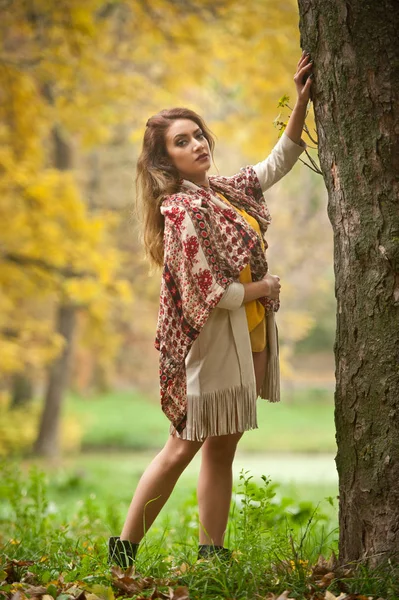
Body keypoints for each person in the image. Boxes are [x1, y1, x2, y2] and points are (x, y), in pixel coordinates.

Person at [108, 51, 313, 567]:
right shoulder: (180, 210)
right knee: (182, 446)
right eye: (182, 141)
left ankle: (212, 556)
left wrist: (303, 102)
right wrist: (264, 288)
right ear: (165, 161)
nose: (196, 144)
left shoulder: (222, 192)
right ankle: (122, 552)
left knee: (223, 450)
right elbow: (209, 294)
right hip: (212, 343)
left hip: (251, 338)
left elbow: (276, 164)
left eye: (198, 134)